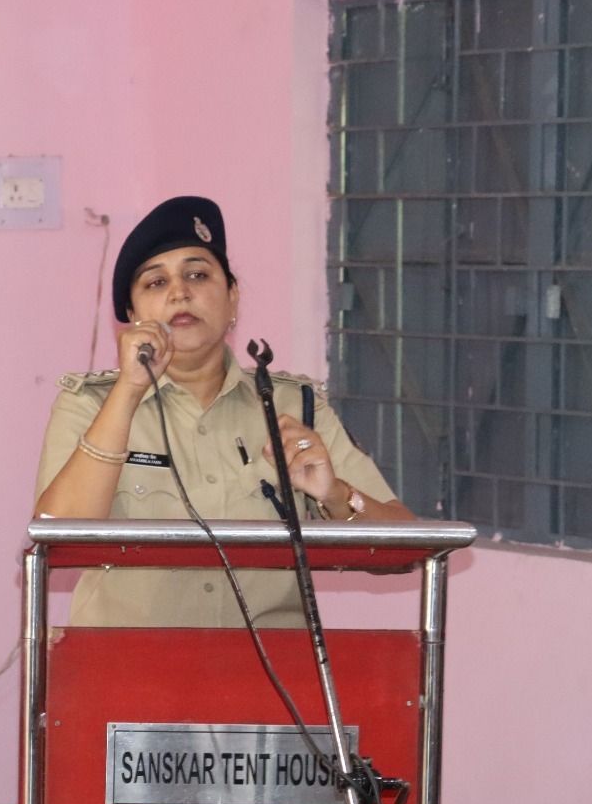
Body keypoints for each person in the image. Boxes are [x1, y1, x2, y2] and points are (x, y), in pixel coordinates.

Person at [34, 196, 414, 628]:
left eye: (197, 274)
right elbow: (55, 540)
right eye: (155, 282)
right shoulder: (91, 405)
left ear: (232, 299)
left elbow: (404, 551)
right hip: (128, 661)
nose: (180, 292)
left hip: (272, 666)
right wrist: (128, 390)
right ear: (133, 316)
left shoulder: (295, 406)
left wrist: (335, 495)